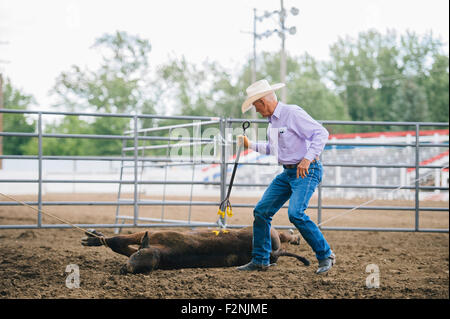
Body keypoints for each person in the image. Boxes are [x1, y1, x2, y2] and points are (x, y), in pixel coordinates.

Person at [236, 79, 335, 274]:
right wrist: (250, 144)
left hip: (306, 170)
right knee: (261, 211)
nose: (256, 111)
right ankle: (260, 260)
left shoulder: (292, 113)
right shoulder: (272, 122)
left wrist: (307, 159)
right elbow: (272, 149)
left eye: (256, 106)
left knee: (295, 213)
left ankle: (326, 255)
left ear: (263, 101)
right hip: (289, 172)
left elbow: (321, 133)